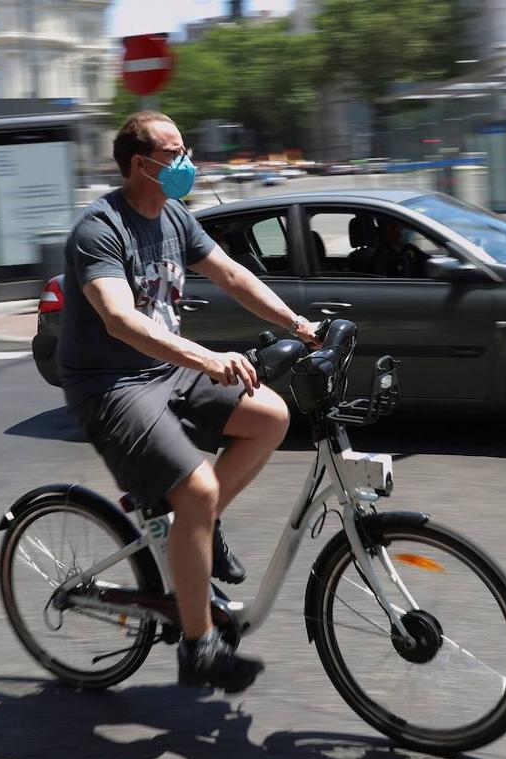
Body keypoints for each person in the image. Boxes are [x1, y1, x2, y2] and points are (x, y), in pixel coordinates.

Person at [57, 111, 320, 692]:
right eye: (174, 153)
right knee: (197, 490)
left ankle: (199, 529)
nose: (187, 163)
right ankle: (198, 648)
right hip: (111, 385)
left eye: (186, 150)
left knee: (270, 417)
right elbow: (120, 320)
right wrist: (205, 358)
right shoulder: (99, 229)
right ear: (140, 164)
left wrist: (299, 325)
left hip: (164, 370)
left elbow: (232, 276)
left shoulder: (175, 216)